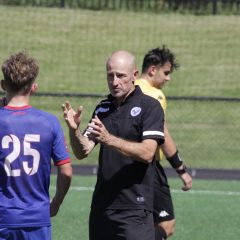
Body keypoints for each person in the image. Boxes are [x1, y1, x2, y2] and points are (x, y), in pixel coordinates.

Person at [62, 50, 165, 240]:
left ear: (134, 75)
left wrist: (109, 139)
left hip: (134, 209)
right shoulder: (102, 108)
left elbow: (148, 153)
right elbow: (82, 150)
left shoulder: (150, 107)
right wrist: (74, 130)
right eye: (110, 75)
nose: (114, 81)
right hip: (102, 208)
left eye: (120, 76)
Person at [0, 52, 72, 240]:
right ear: (34, 87)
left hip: (3, 217)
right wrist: (55, 203)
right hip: (37, 219)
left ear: (2, 85)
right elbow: (66, 172)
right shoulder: (49, 123)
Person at [135, 46, 193, 240]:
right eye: (166, 73)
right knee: (166, 225)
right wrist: (181, 169)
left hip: (124, 165)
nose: (168, 78)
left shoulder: (129, 87)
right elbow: (163, 136)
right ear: (153, 70)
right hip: (149, 167)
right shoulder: (155, 95)